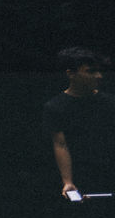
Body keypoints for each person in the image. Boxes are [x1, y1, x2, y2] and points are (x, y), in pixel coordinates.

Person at [43, 46, 115, 200]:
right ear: (71, 74)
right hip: (81, 174)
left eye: (98, 71)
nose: (98, 76)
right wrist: (68, 181)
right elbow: (60, 144)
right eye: (90, 71)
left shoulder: (110, 103)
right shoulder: (56, 107)